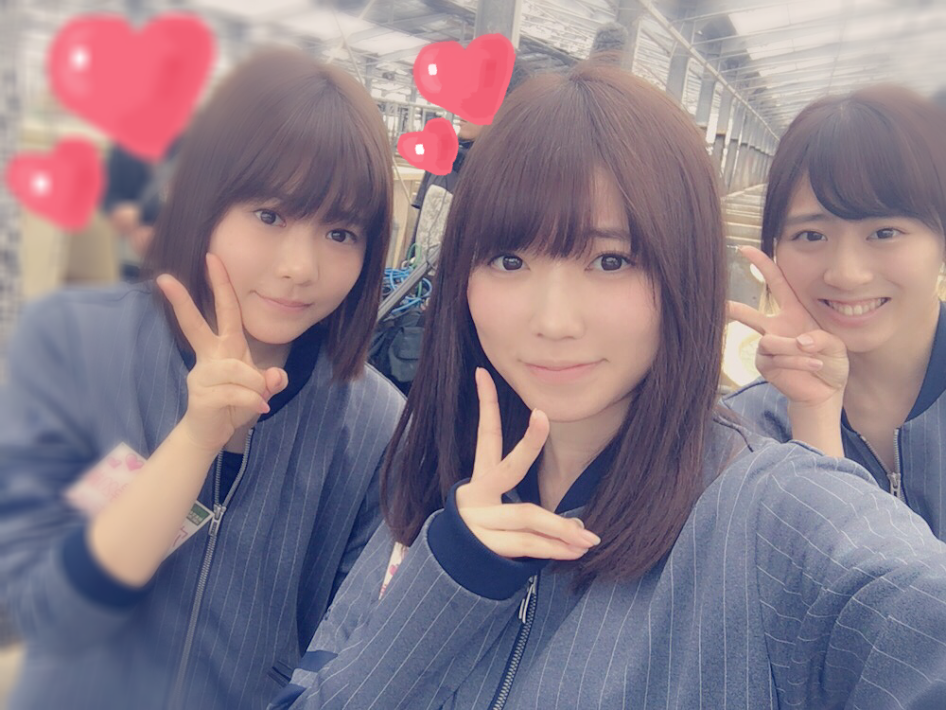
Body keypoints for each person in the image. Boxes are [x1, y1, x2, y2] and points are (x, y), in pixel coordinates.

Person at [269, 63, 946, 710]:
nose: (554, 321)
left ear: (686, 269)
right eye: (509, 259)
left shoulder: (762, 508)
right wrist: (453, 576)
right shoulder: (435, 467)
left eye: (611, 260)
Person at [0, 47, 404, 710]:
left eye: (340, 233)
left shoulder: (374, 426)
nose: (300, 266)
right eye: (270, 215)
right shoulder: (75, 341)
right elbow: (44, 615)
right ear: (204, 200)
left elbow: (341, 655)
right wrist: (193, 441)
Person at [725, 85, 946, 540]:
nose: (847, 274)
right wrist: (814, 419)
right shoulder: (741, 431)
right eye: (811, 235)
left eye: (884, 232)